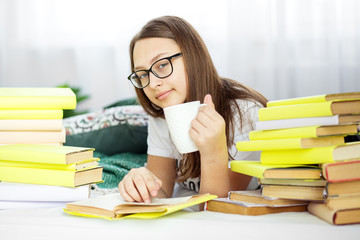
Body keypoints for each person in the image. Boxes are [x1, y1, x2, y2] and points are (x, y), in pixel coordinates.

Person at [118, 16, 267, 204]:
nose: (153, 83)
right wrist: (142, 185)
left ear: (192, 57)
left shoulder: (245, 114)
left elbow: (217, 206)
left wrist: (213, 151)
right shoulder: (163, 115)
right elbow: (161, 190)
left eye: (162, 65)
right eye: (142, 74)